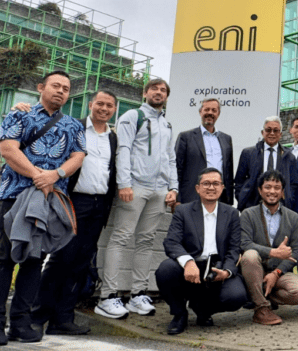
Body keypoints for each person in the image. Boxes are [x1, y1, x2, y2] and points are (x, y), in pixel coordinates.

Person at [0, 71, 87, 346]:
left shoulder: (74, 125)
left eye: (66, 88)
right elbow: (8, 149)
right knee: (4, 257)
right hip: (15, 195)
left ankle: (20, 322)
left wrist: (56, 174)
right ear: (41, 87)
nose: (61, 91)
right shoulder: (19, 115)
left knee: (34, 259)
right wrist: (38, 175)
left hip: (51, 198)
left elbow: (78, 156)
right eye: (56, 86)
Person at [30, 90, 118, 335]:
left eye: (109, 105)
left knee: (81, 263)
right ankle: (37, 317)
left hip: (99, 205)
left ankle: (63, 320)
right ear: (91, 104)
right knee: (61, 258)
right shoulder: (73, 127)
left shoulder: (113, 137)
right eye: (100, 103)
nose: (104, 108)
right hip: (73, 201)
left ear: (114, 110)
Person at [96, 79, 178, 319]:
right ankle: (107, 296)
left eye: (163, 90)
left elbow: (170, 157)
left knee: (146, 241)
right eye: (154, 89)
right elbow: (123, 149)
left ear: (166, 96)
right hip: (135, 187)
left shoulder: (166, 124)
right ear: (145, 93)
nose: (159, 93)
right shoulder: (133, 116)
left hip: (159, 190)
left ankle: (138, 294)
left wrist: (173, 187)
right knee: (120, 238)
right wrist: (124, 183)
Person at [155, 168, 247, 335]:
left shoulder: (232, 213)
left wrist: (226, 271)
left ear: (222, 187)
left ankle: (203, 309)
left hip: (217, 268)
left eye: (216, 183)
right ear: (197, 188)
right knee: (166, 269)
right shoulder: (183, 211)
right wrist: (188, 262)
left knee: (237, 296)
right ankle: (179, 313)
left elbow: (234, 248)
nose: (211, 187)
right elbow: (171, 242)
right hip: (191, 267)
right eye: (206, 183)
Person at [240, 170, 298, 325]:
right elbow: (244, 243)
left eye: (277, 188)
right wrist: (273, 252)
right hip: (254, 271)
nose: (272, 191)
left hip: (278, 272)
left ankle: (261, 296)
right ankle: (261, 308)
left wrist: (276, 273)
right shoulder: (247, 214)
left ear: (282, 192)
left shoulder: (293, 217)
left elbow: (296, 250)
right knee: (250, 255)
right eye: (267, 187)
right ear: (260, 190)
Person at [175, 98, 234, 204]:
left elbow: (228, 173)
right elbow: (177, 168)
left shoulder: (226, 139)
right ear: (200, 112)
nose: (210, 113)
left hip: (219, 198)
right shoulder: (186, 137)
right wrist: (177, 198)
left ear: (218, 114)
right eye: (207, 109)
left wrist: (229, 200)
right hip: (191, 197)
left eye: (214, 110)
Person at [235, 116, 297, 211]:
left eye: (275, 130)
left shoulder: (289, 157)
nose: (272, 133)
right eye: (268, 130)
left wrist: (288, 200)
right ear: (262, 132)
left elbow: (293, 184)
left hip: (279, 207)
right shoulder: (248, 153)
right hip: (252, 206)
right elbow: (239, 181)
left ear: (280, 134)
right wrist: (243, 199)